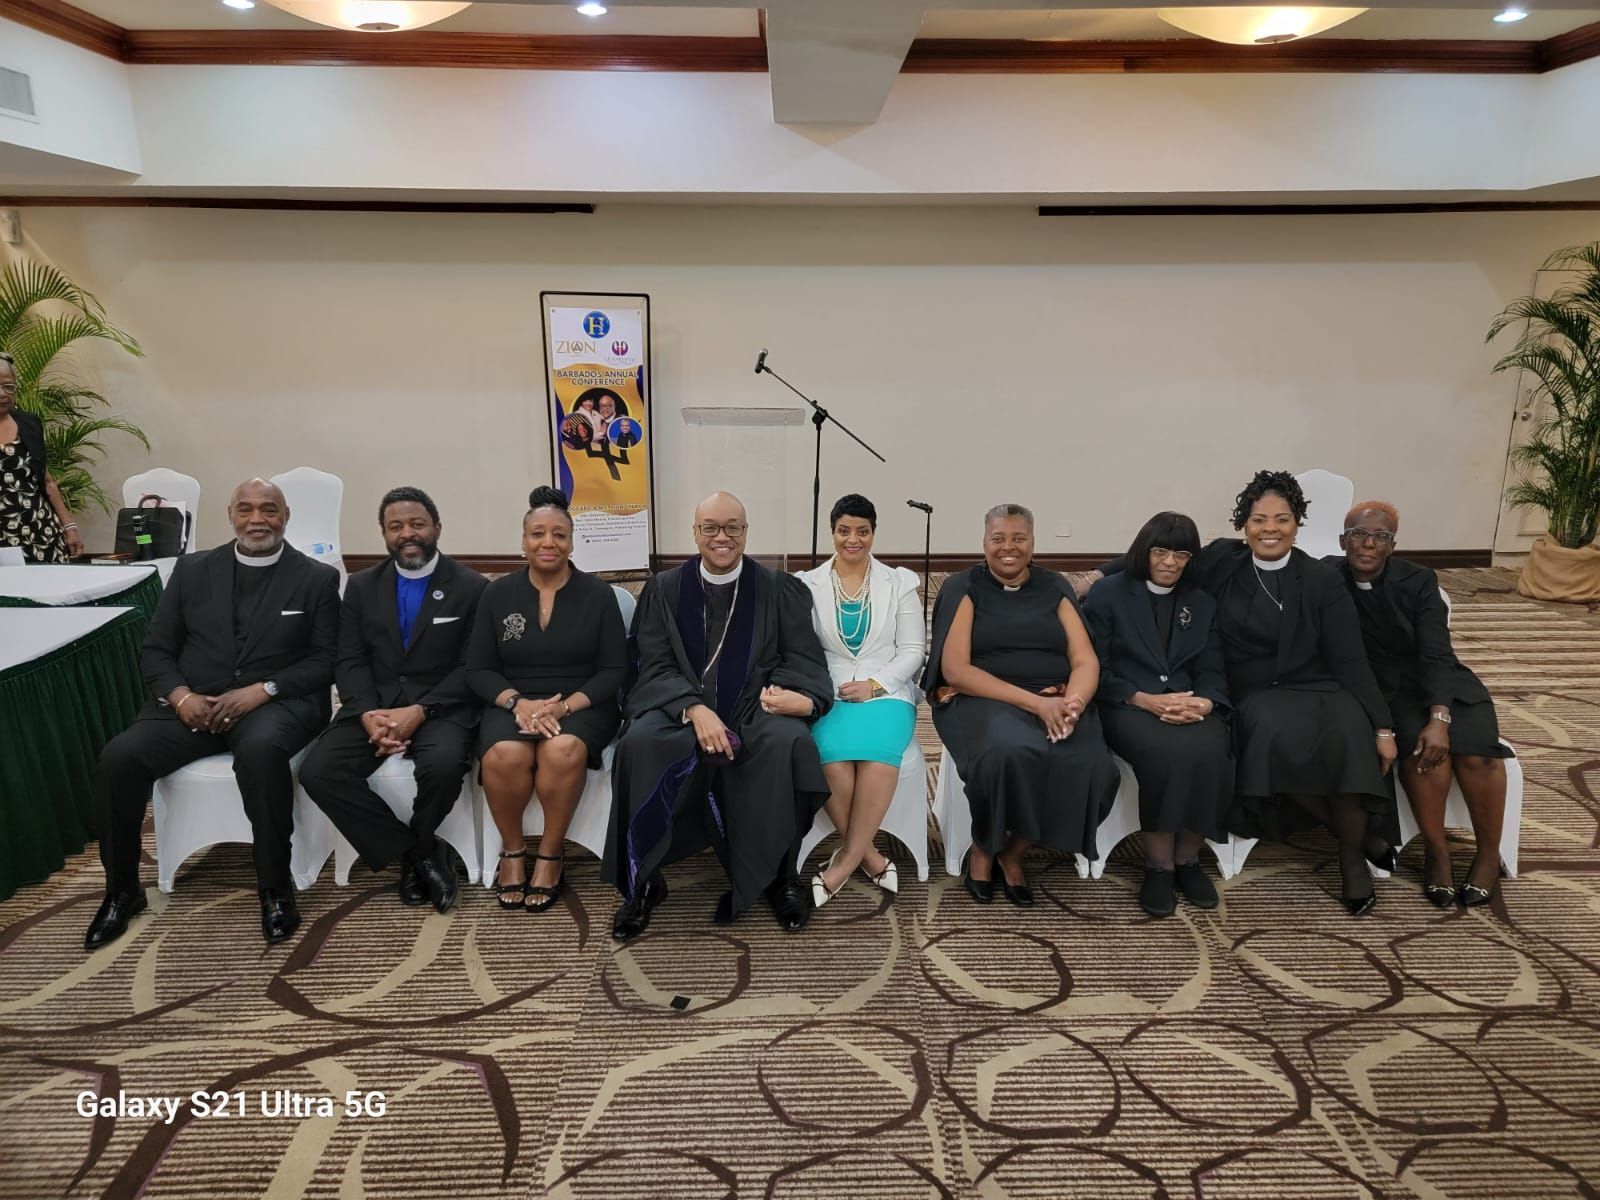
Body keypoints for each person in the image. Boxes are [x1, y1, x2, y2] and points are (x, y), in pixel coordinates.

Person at [1085, 470, 1399, 915]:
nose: (1270, 529)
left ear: (1297, 524)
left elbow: (1350, 658)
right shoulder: (1223, 561)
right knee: (1268, 734)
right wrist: (1094, 576)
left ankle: (1351, 858)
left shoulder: (1321, 578)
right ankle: (1351, 834)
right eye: (1259, 519)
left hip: (1316, 684)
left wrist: (1382, 725)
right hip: (1255, 690)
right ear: (1244, 525)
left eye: (1282, 519)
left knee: (1349, 729)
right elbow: (1155, 553)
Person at [85, 479, 339, 950]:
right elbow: (156, 649)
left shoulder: (316, 578)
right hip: (193, 705)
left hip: (274, 705)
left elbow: (326, 660)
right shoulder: (193, 570)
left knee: (261, 753)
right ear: (230, 514)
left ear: (286, 516)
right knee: (118, 759)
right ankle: (121, 891)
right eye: (246, 509)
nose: (257, 519)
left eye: (269, 509)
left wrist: (262, 690)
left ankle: (274, 888)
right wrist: (182, 698)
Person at [603, 491, 833, 939]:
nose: (721, 537)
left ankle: (780, 875)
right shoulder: (665, 589)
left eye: (733, 527)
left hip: (752, 706)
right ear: (695, 533)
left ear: (746, 532)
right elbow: (652, 663)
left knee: (789, 743)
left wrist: (792, 695)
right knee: (638, 744)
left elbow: (800, 657)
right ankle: (643, 879)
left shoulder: (777, 588)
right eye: (710, 527)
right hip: (678, 706)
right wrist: (693, 709)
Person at [299, 486, 488, 913]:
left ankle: (417, 848)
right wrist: (368, 713)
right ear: (383, 534)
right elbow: (349, 658)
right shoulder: (361, 586)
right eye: (395, 526)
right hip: (374, 706)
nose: (407, 534)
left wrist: (421, 710)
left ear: (437, 528)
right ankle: (418, 852)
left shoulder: (471, 586)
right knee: (319, 772)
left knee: (443, 766)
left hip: (441, 708)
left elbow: (472, 666)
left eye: (417, 524)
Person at [923, 503, 1119, 907]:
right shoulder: (963, 587)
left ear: (1032, 542)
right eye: (998, 538)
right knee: (1007, 752)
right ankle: (984, 848)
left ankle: (1014, 852)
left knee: (1089, 762)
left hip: (1054, 695)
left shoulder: (1055, 586)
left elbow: (1084, 660)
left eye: (1018, 538)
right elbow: (956, 670)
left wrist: (1073, 704)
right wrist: (1035, 705)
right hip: (982, 697)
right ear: (984, 542)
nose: (1008, 547)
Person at [1331, 501, 1511, 907]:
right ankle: (1437, 853)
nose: (1368, 544)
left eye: (1381, 537)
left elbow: (1436, 652)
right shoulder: (1329, 577)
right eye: (1359, 535)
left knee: (1479, 755)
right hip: (1388, 691)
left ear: (1393, 546)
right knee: (1424, 756)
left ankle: (1487, 855)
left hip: (1442, 679)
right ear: (1343, 541)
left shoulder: (1418, 580)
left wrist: (1440, 716)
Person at [468, 487, 626, 912]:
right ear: (523, 542)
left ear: (572, 542)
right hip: (512, 702)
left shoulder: (598, 595)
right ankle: (513, 851)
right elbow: (478, 668)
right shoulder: (496, 594)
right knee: (505, 755)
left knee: (562, 749)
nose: (548, 542)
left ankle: (551, 855)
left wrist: (563, 707)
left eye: (559, 534)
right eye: (537, 533)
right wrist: (516, 703)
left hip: (582, 703)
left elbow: (614, 670)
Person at [1083, 512, 1233, 917]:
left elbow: (1212, 666)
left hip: (1187, 701)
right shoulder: (1109, 593)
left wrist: (1206, 702)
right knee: (1165, 753)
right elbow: (1094, 666)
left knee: (1214, 747)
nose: (1170, 562)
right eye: (1160, 551)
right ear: (1144, 551)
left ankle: (1189, 858)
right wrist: (1143, 699)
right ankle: (1159, 865)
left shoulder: (1201, 601)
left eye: (1181, 554)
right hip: (1125, 704)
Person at [795, 494, 925, 908]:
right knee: (829, 758)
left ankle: (845, 861)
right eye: (844, 531)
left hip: (887, 692)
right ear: (832, 532)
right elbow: (801, 650)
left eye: (862, 531)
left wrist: (877, 684)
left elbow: (913, 651)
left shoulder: (899, 582)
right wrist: (821, 687)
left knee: (876, 757)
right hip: (829, 690)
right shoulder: (807, 584)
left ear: (873, 533)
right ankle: (869, 856)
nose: (853, 539)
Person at [0, 350, 84, 562]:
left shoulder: (29, 424)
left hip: (41, 533)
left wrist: (69, 526)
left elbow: (47, 481)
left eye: (8, 386)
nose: (3, 393)